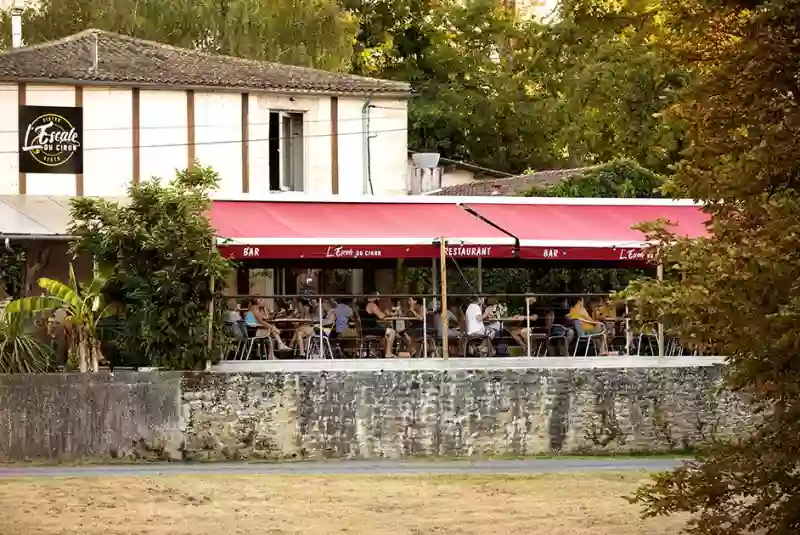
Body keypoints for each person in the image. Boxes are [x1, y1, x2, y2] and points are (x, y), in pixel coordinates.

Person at [360, 293, 397, 358]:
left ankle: (385, 352)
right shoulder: (372, 305)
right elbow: (381, 316)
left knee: (386, 332)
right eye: (376, 296)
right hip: (371, 329)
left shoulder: (363, 305)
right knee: (392, 332)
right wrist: (387, 313)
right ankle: (388, 353)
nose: (378, 297)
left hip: (365, 329)